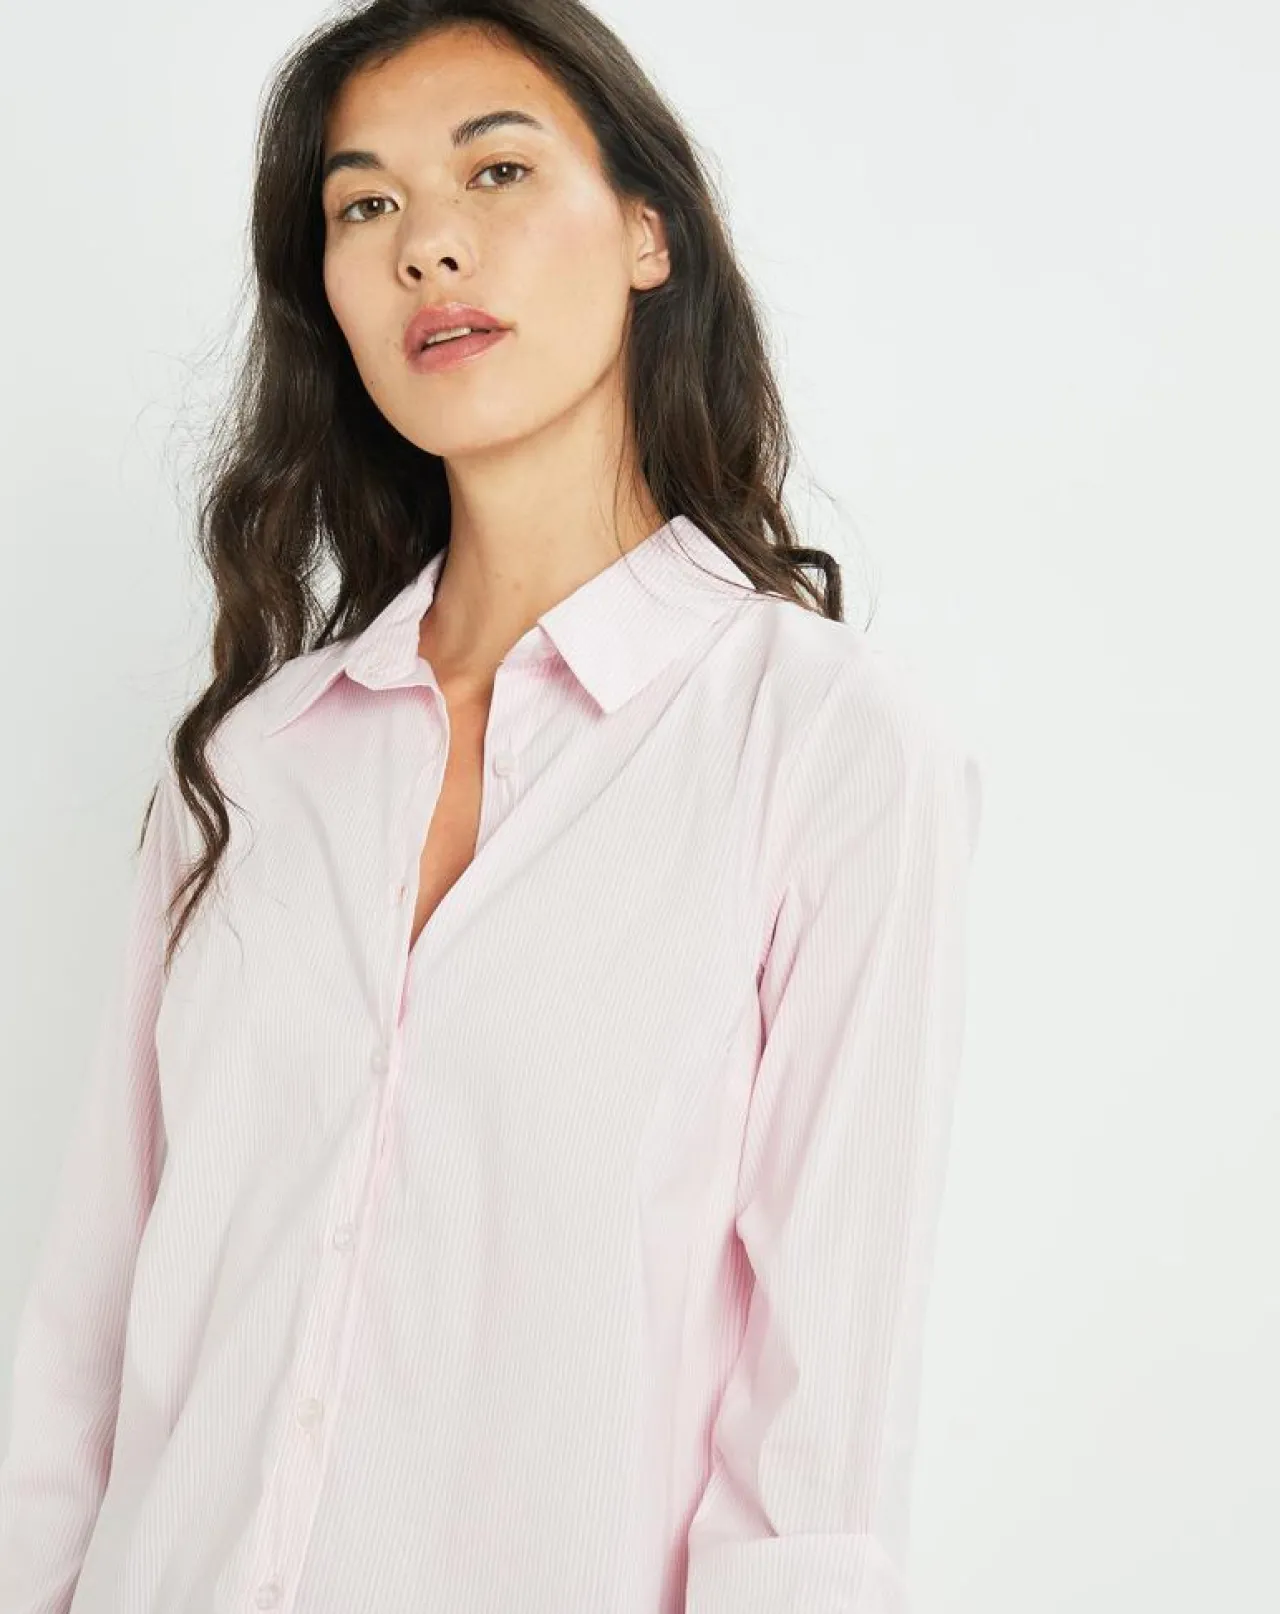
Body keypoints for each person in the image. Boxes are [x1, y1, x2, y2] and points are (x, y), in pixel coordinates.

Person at [0, 2, 983, 1611]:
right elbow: (82, 1347)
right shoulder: (245, 772)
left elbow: (819, 1429)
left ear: (650, 232)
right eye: (365, 204)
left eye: (498, 172)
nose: (427, 246)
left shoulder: (820, 742)